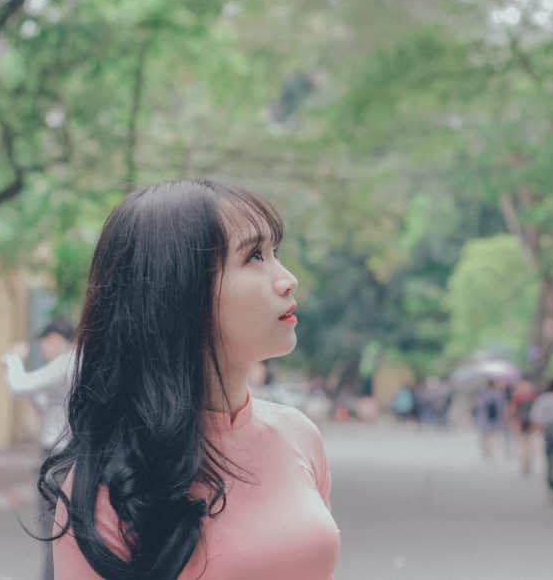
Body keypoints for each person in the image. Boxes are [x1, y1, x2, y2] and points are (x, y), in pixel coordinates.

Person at [39, 180, 340, 580]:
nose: (287, 279)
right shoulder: (112, 485)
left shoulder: (299, 435)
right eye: (253, 256)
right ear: (180, 291)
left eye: (275, 252)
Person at [1, 316, 76, 580]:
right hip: (66, 456)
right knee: (59, 530)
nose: (43, 350)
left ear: (55, 340)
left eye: (44, 344)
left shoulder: (66, 362)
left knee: (51, 529)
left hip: (58, 458)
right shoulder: (75, 365)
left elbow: (19, 384)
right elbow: (45, 407)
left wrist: (12, 359)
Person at [530, 379, 553, 504]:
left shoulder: (543, 399)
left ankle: (552, 484)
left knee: (550, 458)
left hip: (549, 430)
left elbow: (536, 417)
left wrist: (540, 430)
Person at [475, 379, 505, 460]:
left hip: (484, 417)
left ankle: (487, 451)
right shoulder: (498, 394)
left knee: (485, 435)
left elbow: (479, 405)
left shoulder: (483, 393)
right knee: (492, 435)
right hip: (494, 418)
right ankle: (491, 451)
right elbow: (501, 406)